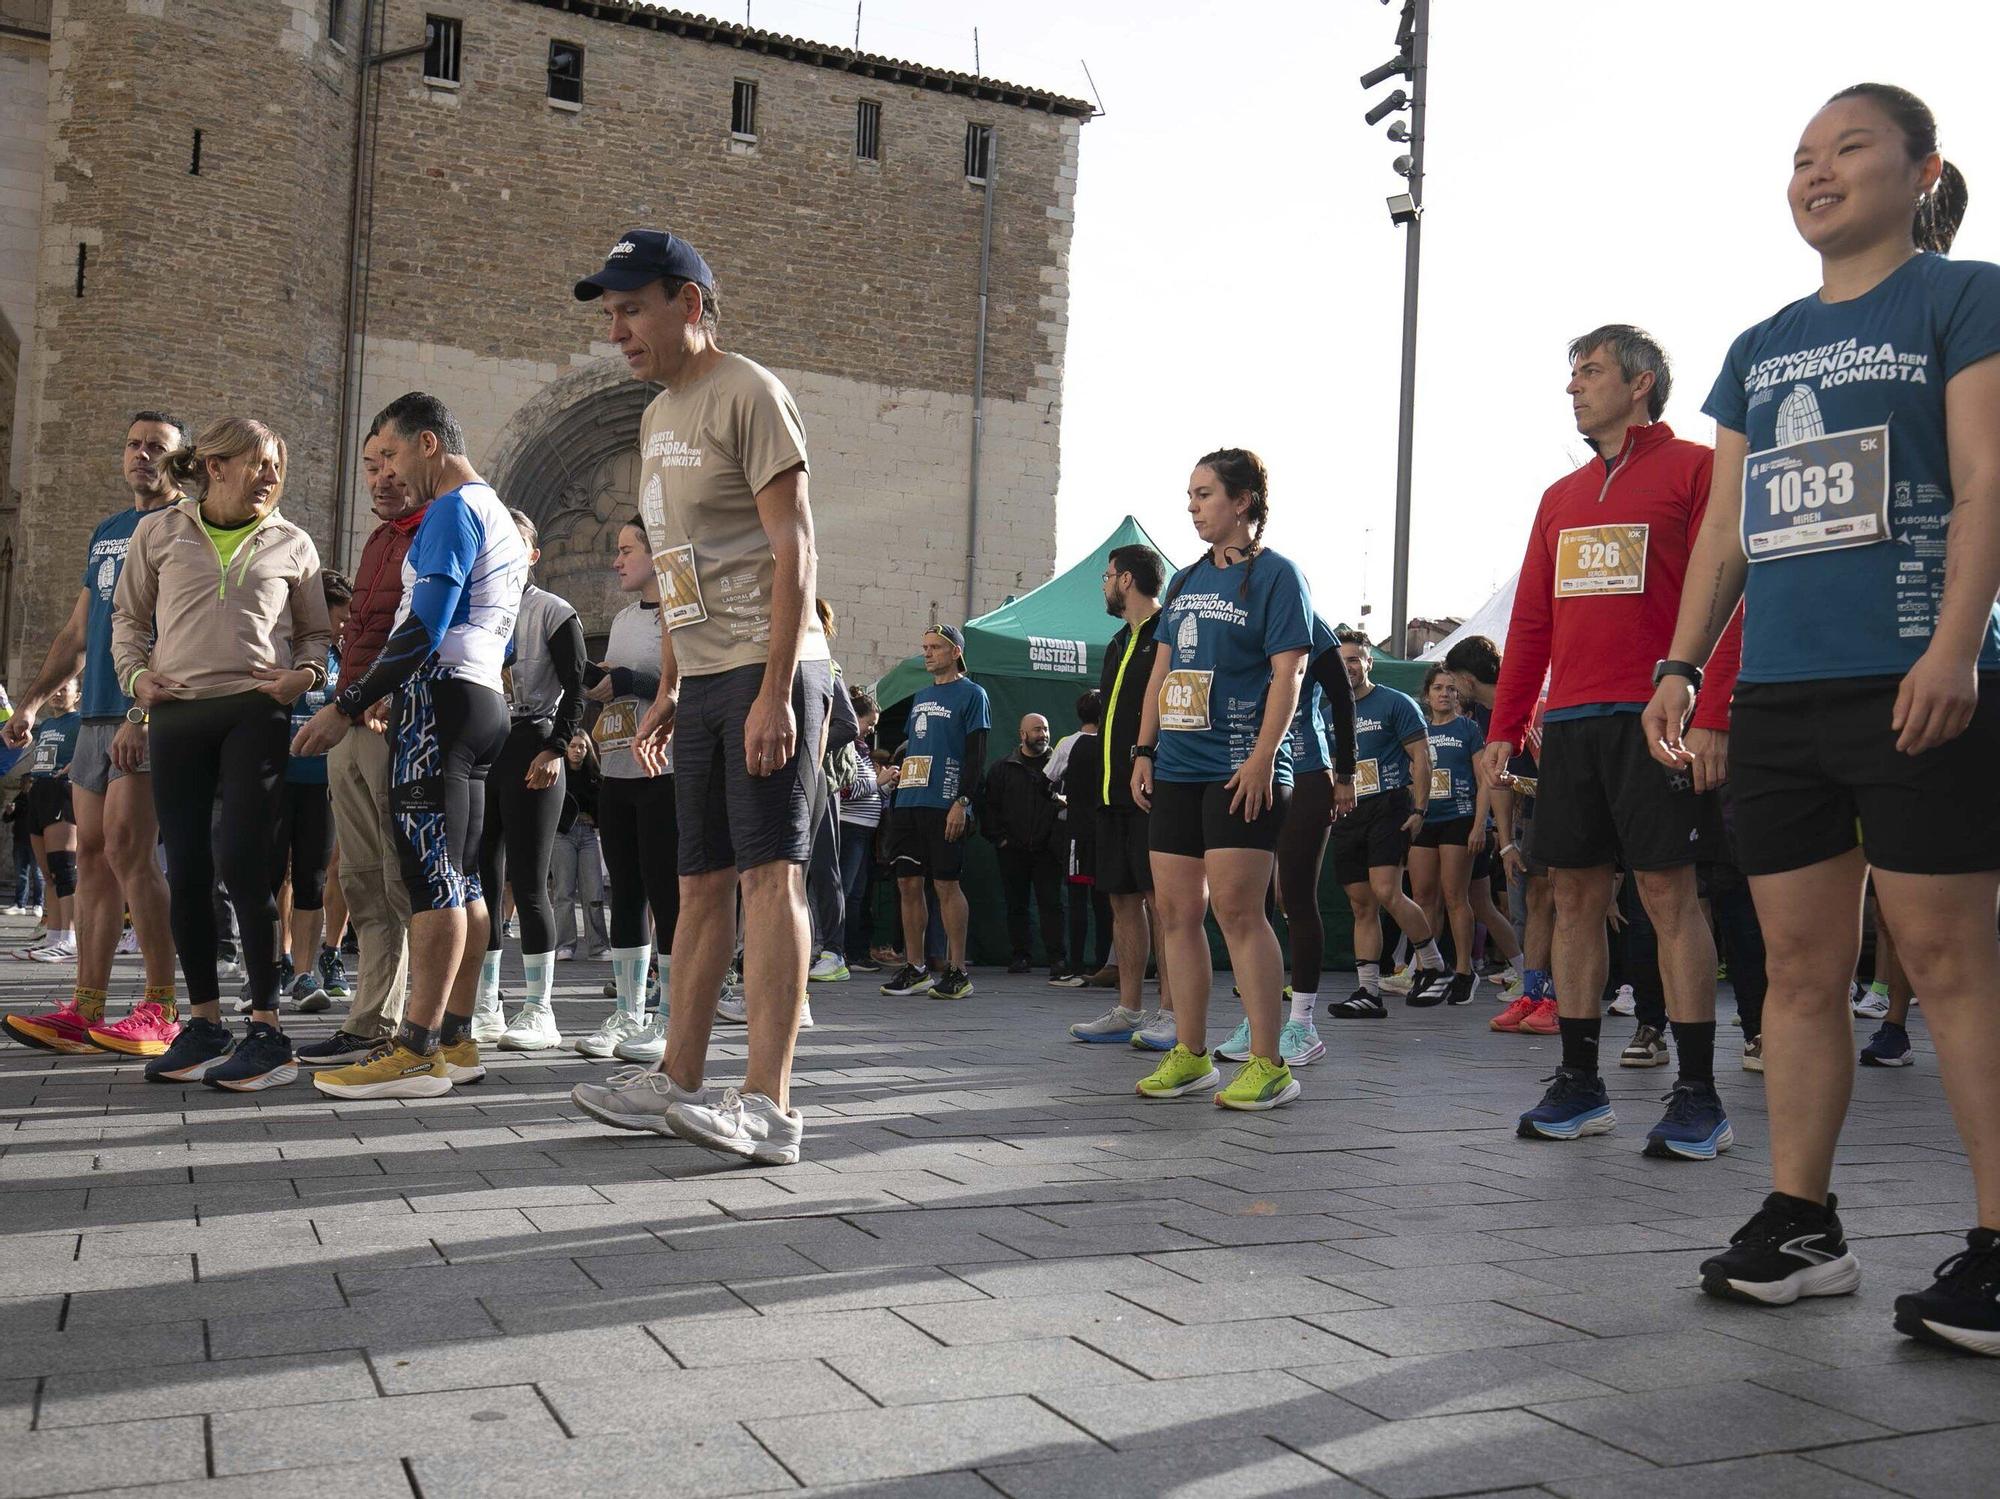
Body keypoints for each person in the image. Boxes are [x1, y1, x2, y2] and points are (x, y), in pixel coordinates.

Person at [1641, 84, 2000, 1350]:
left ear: (1921, 171)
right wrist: (1682, 663)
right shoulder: (1759, 344)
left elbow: (1983, 479)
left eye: (1849, 147)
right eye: (1800, 155)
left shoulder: (1964, 297)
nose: (1817, 170)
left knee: (1949, 963)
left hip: (1914, 678)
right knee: (1795, 969)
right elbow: (1729, 527)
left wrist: (1954, 645)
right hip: (1779, 696)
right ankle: (1801, 1221)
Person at [564, 229, 831, 1164]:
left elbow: (794, 545)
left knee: (770, 874)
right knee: (698, 880)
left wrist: (776, 689)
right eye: (611, 314)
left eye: (632, 308)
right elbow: (677, 560)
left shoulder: (750, 393)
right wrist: (674, 676)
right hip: (709, 671)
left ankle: (771, 1106)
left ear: (689, 302)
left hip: (772, 664)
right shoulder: (655, 417)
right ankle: (677, 1077)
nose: (618, 331)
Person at [1481, 323, 1743, 1157]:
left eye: (1589, 371)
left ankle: (1698, 1094)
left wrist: (1713, 708)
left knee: (1670, 898)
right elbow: (1531, 622)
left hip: (1655, 717)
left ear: (1641, 382)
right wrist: (1505, 725)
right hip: (1571, 726)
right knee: (1577, 898)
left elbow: (1734, 595)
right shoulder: (1558, 497)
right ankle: (1580, 1083)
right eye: (1572, 373)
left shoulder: (1698, 469)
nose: (1573, 387)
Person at [295, 392, 528, 1100]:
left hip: (441, 704)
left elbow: (423, 625)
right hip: (481, 698)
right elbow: (498, 632)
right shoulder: (500, 518)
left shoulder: (455, 509)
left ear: (429, 444)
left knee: (431, 883)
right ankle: (456, 1038)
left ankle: (416, 1048)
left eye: (391, 453)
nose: (388, 471)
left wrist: (349, 703)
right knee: (464, 878)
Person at [113, 416, 331, 1091]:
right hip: (176, 713)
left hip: (253, 712)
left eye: (277, 465)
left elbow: (316, 634)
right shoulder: (158, 533)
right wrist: (136, 681)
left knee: (242, 860)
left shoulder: (294, 543)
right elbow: (127, 619)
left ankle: (266, 1028)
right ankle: (204, 1023)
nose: (271, 476)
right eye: (258, 462)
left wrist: (306, 677)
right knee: (187, 868)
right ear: (214, 465)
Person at [1130, 448, 1311, 1110]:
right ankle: (1191, 1052)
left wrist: (1265, 754)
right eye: (1190, 493)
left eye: (1204, 493)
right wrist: (1143, 749)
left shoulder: (1277, 577)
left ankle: (1270, 1061)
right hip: (1176, 765)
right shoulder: (1182, 582)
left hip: (1241, 766)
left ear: (1242, 502)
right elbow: (1161, 673)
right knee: (1176, 911)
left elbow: (1288, 672)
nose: (1193, 505)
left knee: (1239, 910)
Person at [1, 414, 182, 1057]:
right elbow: (78, 634)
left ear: (181, 461)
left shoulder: (185, 525)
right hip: (92, 717)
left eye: (156, 447)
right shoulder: (107, 531)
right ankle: (87, 1007)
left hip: (146, 714)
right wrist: (28, 704)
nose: (141, 456)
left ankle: (161, 1008)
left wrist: (145, 711)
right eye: (133, 444)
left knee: (134, 856)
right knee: (93, 857)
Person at [296, 428, 425, 1066]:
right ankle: (370, 1018)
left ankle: (415, 1025)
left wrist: (384, 698)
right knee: (360, 877)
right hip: (349, 717)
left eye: (390, 463)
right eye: (370, 466)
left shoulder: (435, 531)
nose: (379, 478)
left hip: (386, 721)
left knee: (401, 879)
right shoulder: (378, 539)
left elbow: (437, 630)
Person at [560, 516, 677, 1060]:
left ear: (658, 554)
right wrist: (600, 679)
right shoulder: (626, 618)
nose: (617, 560)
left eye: (627, 549)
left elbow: (691, 684)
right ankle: (627, 1015)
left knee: (667, 893)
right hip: (617, 771)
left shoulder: (680, 614)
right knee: (624, 892)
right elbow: (622, 682)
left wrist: (631, 681)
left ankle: (671, 1016)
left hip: (666, 772)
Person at [472, 512, 585, 1050]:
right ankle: (486, 1004)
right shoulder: (478, 609)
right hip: (485, 748)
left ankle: (539, 1010)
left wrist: (556, 748)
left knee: (530, 881)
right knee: (482, 877)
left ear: (533, 555)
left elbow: (577, 686)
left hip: (533, 743)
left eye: (516, 545)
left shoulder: (553, 612)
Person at [1071, 545, 1177, 1048]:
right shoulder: (1117, 641)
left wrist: (1149, 757)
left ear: (1127, 579)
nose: (1104, 585)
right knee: (1121, 898)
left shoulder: (1169, 633)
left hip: (1151, 791)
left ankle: (1172, 1014)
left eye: (1107, 576)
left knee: (1162, 903)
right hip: (1111, 791)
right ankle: (1130, 1010)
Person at [1245, 613, 1356, 1064]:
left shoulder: (1308, 621)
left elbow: (1342, 697)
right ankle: (1260, 1020)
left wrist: (1346, 774)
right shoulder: (1239, 618)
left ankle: (1303, 1024)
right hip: (1252, 768)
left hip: (1309, 771)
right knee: (1252, 901)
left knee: (1295, 896)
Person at [1325, 631, 1442, 1018]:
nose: (1349, 667)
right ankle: (1368, 992)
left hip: (1388, 804)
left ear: (1369, 662)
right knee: (1361, 905)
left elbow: (1421, 758)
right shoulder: (1328, 713)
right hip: (1347, 813)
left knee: (1387, 890)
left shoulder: (1396, 703)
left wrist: (1421, 809)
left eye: (1355, 659)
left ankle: (1434, 964)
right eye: (1342, 661)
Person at [880, 625, 989, 1001]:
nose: (927, 654)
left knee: (945, 884)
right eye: (924, 647)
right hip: (909, 800)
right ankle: (916, 967)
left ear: (956, 651)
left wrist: (963, 802)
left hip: (944, 802)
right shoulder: (921, 695)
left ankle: (958, 969)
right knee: (907, 883)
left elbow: (976, 753)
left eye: (936, 648)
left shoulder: (973, 694)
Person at [1407, 665, 1515, 1008]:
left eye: (1451, 689)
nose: (1444, 694)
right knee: (1424, 897)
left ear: (1459, 695)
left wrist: (1479, 824)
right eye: (1438, 688)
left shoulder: (1468, 728)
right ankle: (1429, 969)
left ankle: (1466, 971)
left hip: (1459, 817)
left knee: (1457, 896)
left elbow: (1484, 779)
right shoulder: (1417, 728)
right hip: (1426, 819)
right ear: (1427, 695)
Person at [273, 570, 350, 1012]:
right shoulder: (281, 647)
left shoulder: (345, 655)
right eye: (338, 617)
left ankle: (304, 974)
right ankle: (271, 967)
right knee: (273, 875)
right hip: (278, 778)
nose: (342, 626)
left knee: (313, 878)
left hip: (323, 782)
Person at [986, 712, 1066, 976]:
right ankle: (1021, 956)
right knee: (1016, 905)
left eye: (1045, 728)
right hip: (1013, 850)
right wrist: (1001, 839)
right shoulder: (1001, 769)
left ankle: (1057, 959)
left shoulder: (1059, 766)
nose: (1042, 734)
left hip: (1048, 851)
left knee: (1051, 905)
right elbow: (990, 809)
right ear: (1022, 734)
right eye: (1036, 729)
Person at [1046, 690, 1111, 989]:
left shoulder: (1068, 744)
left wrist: (1062, 798)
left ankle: (1074, 966)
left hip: (1078, 832)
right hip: (1106, 830)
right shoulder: (1113, 742)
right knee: (1104, 902)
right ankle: (1103, 965)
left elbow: (1047, 779)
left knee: (1077, 900)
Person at [13, 680, 80, 964]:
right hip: (38, 793)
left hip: (61, 791)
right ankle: (53, 936)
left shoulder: (81, 722)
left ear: (77, 694)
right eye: (55, 689)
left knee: (64, 869)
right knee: (48, 873)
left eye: (64, 688)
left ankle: (71, 938)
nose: (57, 693)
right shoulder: (46, 726)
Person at [836, 687, 886, 973]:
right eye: (870, 723)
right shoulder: (848, 749)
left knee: (857, 893)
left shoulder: (863, 751)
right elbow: (847, 790)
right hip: (850, 829)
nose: (871, 730)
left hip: (862, 831)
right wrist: (879, 783)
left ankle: (851, 951)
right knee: (847, 892)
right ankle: (841, 950)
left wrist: (883, 785)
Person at [551, 732, 609, 960]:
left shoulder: (595, 776)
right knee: (564, 891)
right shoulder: (558, 773)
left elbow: (602, 808)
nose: (577, 750)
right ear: (566, 749)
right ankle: (564, 945)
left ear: (588, 750)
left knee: (594, 891)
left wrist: (594, 819)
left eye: (582, 747)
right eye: (573, 746)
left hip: (587, 835)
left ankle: (598, 946)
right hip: (562, 834)